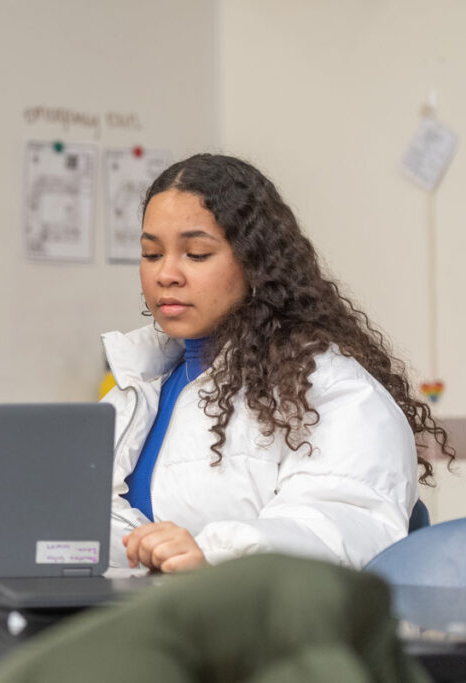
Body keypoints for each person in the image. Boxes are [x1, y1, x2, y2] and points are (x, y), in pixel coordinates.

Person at [103, 153, 453, 573]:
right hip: (145, 624)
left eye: (196, 254)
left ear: (256, 263)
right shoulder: (138, 389)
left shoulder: (330, 390)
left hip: (259, 632)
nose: (167, 274)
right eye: (152, 254)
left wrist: (213, 555)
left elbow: (341, 527)